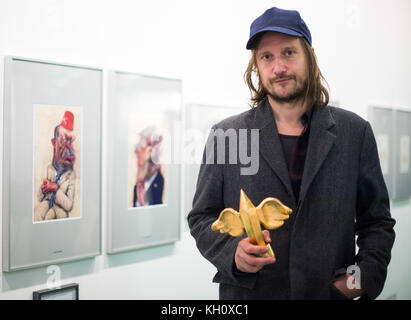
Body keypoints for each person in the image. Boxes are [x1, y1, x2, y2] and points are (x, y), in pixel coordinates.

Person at [187, 7, 395, 300]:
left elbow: (377, 223)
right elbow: (201, 218)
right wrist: (232, 252)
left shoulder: (355, 133)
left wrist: (354, 284)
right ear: (256, 65)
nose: (278, 67)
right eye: (267, 57)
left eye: (288, 53)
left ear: (309, 55)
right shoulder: (226, 135)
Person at [34, 111, 77, 221]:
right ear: (54, 143)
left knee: (54, 215)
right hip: (47, 204)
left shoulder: (71, 174)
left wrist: (56, 189)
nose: (68, 149)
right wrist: (44, 189)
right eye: (62, 141)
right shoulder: (49, 168)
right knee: (38, 212)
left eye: (70, 142)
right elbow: (39, 198)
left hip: (60, 210)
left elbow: (69, 205)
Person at [133, 126, 164, 207]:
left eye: (140, 147)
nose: (137, 152)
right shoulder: (138, 186)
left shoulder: (160, 184)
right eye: (137, 148)